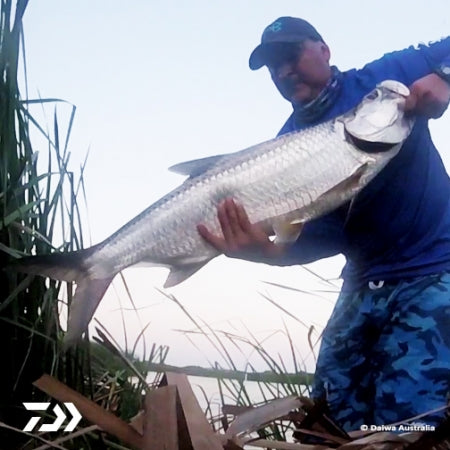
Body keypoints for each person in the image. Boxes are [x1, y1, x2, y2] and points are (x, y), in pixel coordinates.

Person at [197, 16, 450, 432]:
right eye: (273, 66)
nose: (283, 71)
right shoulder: (285, 147)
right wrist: (267, 253)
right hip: (361, 283)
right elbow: (322, 235)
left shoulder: (385, 77)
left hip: (435, 271)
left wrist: (443, 75)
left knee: (409, 428)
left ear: (324, 50)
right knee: (326, 421)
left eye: (291, 55)